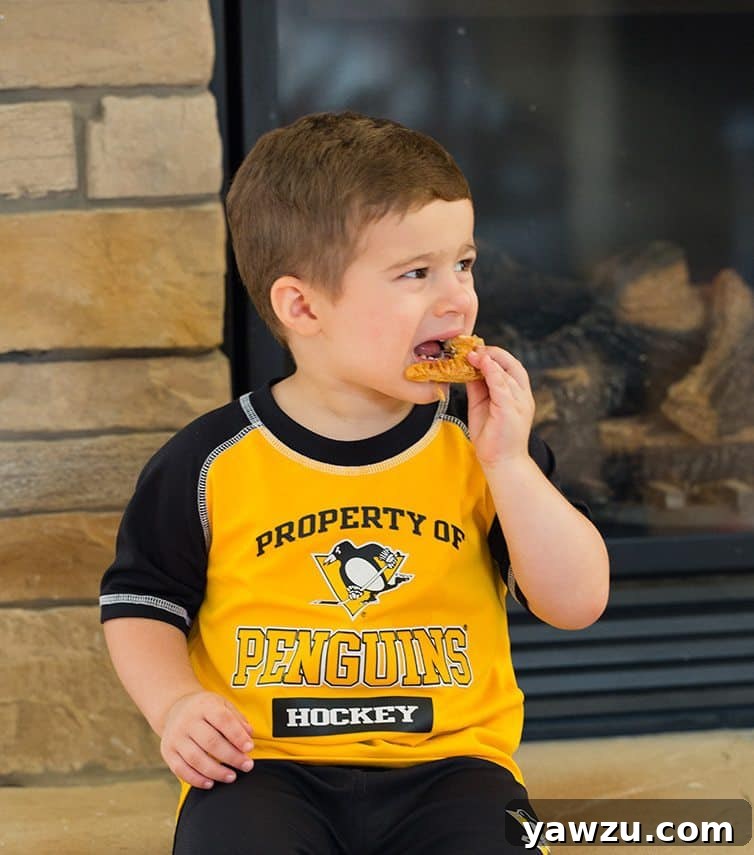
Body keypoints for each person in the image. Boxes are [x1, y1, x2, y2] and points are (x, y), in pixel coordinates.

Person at [100, 111, 609, 854]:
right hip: (264, 768)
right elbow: (141, 602)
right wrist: (174, 704)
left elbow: (577, 603)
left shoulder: (482, 446)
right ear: (303, 306)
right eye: (416, 273)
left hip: (454, 766)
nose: (457, 299)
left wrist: (510, 465)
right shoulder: (209, 461)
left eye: (464, 264)